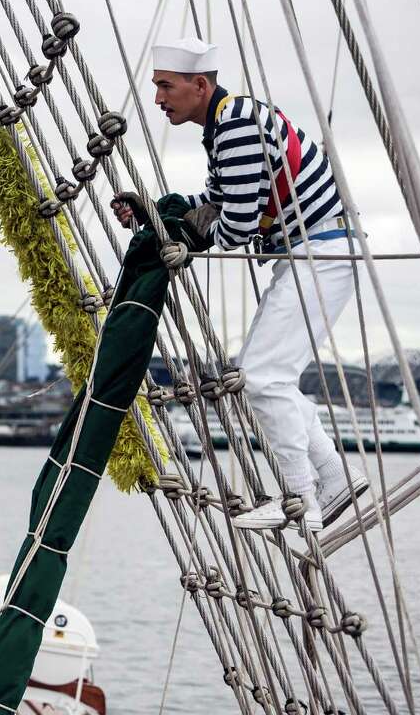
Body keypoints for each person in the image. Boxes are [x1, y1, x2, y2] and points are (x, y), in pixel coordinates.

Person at [112, 36, 367, 532]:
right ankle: (335, 480)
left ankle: (300, 499)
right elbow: (214, 205)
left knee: (263, 375)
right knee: (270, 375)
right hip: (309, 253)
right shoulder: (227, 125)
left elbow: (235, 224)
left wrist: (192, 237)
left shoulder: (235, 126)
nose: (158, 98)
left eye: (165, 86)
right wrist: (154, 214)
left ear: (199, 84)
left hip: (321, 250)